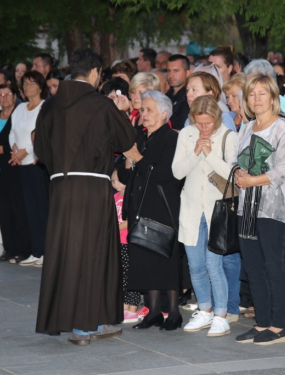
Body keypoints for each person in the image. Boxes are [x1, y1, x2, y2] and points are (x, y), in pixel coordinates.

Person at [34, 48, 136, 345]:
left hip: (61, 188)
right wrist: (120, 111)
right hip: (92, 186)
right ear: (94, 72)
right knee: (94, 253)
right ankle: (84, 327)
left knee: (68, 252)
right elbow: (126, 140)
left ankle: (95, 319)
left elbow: (40, 150)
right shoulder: (100, 104)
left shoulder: (49, 106)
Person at [233, 74, 285, 345]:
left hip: (273, 208)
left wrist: (253, 180)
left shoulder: (282, 128)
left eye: (262, 94)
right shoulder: (246, 129)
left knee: (273, 265)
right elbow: (235, 160)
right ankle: (261, 323)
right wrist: (238, 173)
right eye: (251, 94)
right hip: (247, 207)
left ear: (273, 98)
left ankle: (279, 325)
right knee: (253, 266)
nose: (256, 99)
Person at [172, 95, 237, 336]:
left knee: (213, 265)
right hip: (190, 208)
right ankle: (205, 310)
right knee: (196, 266)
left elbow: (233, 173)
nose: (203, 128)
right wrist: (196, 151)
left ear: (217, 119)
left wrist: (209, 153)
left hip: (216, 210)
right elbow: (177, 172)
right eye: (199, 123)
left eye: (208, 123)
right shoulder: (186, 134)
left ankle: (221, 315)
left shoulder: (229, 136)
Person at [118, 90, 183, 331]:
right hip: (139, 207)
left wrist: (138, 158)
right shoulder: (141, 137)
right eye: (142, 110)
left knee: (165, 259)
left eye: (149, 110)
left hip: (163, 206)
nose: (143, 114)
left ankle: (174, 313)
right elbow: (125, 176)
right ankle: (154, 311)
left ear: (164, 113)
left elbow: (166, 174)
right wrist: (129, 158)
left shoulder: (171, 138)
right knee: (145, 261)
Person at [9, 71, 49, 268]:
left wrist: (28, 151)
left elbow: (44, 134)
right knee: (29, 210)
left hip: (36, 164)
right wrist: (15, 149)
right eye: (25, 83)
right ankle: (35, 250)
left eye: (32, 83)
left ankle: (44, 251)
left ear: (41, 87)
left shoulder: (44, 107)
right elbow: (12, 132)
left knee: (42, 209)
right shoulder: (20, 109)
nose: (27, 87)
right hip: (21, 165)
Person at [0, 81, 32, 263]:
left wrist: (3, 150)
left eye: (7, 95)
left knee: (17, 208)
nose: (4, 99)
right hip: (1, 170)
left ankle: (22, 248)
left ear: (14, 96)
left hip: (14, 166)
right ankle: (9, 248)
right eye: (1, 95)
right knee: (3, 210)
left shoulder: (18, 115)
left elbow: (18, 139)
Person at [111, 168, 141, 324]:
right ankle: (124, 306)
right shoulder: (114, 197)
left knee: (131, 275)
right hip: (118, 242)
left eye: (117, 180)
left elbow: (129, 222)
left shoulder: (129, 198)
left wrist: (114, 228)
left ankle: (133, 308)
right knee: (122, 276)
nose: (114, 183)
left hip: (127, 241)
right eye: (112, 181)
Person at [166, 54, 191, 130]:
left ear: (187, 73)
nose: (171, 75)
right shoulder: (166, 96)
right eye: (168, 71)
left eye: (176, 71)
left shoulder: (190, 96)